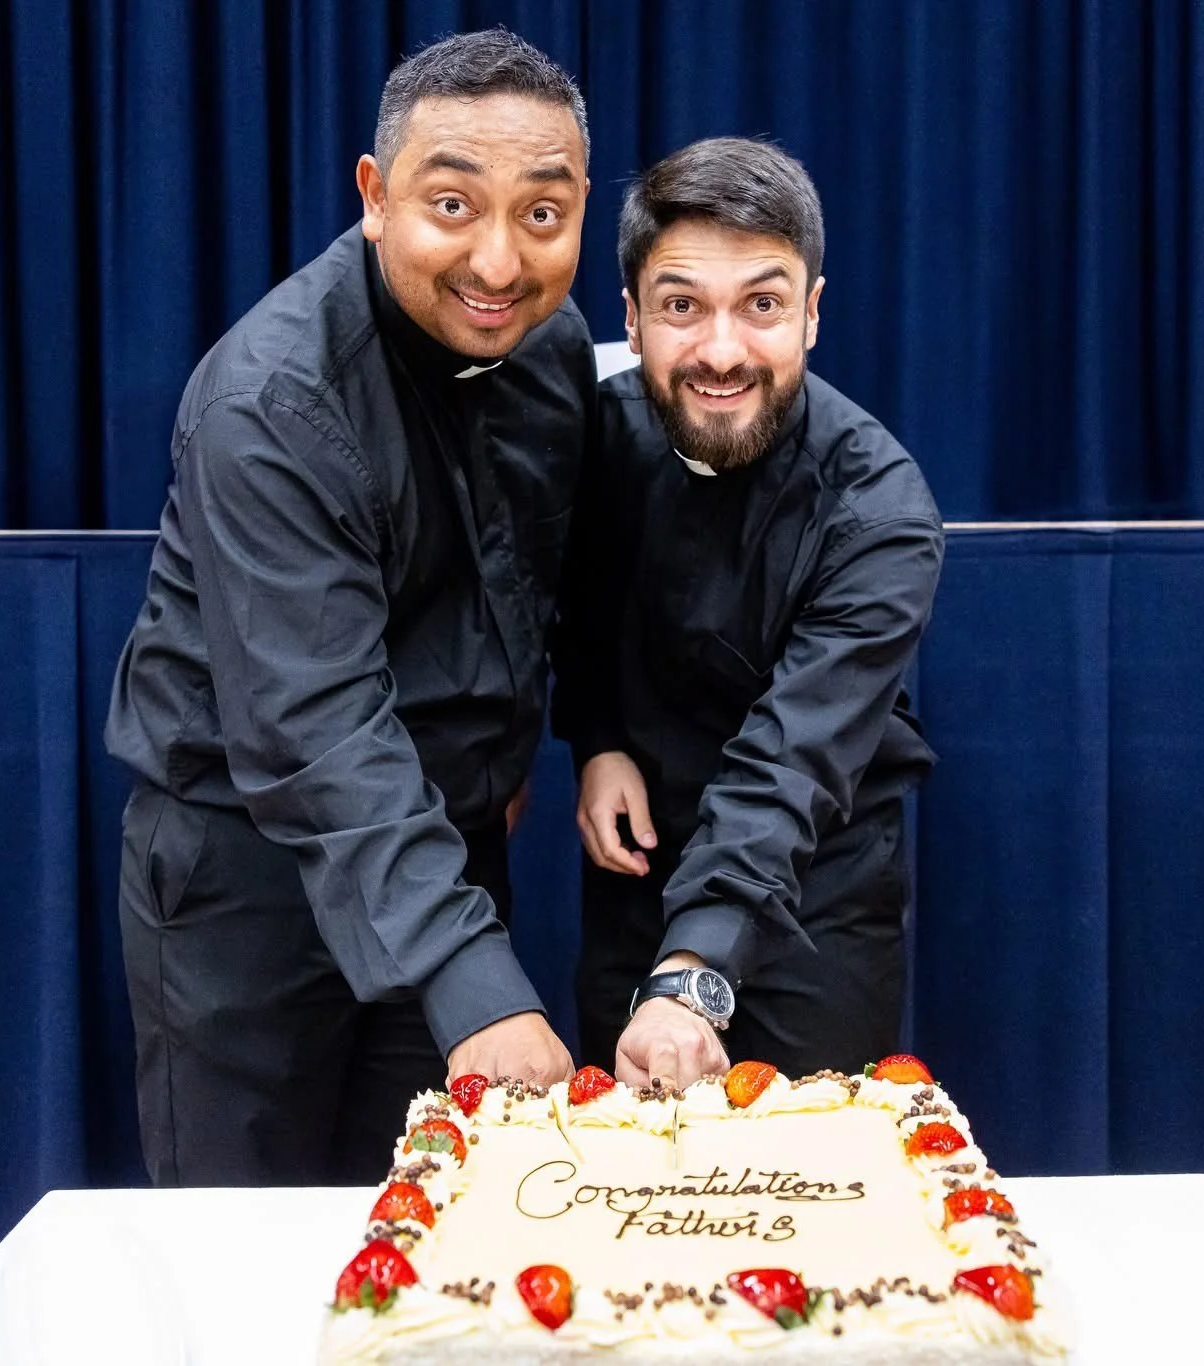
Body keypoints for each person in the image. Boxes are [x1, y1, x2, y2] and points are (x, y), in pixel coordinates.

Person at [104, 29, 593, 1187]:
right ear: (375, 198)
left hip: (442, 856)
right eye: (451, 205)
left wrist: (529, 739)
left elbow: (545, 576)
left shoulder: (553, 346)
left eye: (541, 213)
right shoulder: (270, 402)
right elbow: (312, 727)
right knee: (247, 1246)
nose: (498, 260)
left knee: (435, 1232)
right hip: (250, 873)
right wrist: (471, 981)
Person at [553, 137, 944, 1090]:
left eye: (762, 305)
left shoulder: (880, 510)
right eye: (683, 307)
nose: (721, 352)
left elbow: (793, 761)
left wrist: (692, 974)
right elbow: (575, 602)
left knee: (798, 1162)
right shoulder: (592, 433)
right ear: (632, 319)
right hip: (638, 872)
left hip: (816, 888)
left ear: (811, 314)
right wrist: (598, 738)